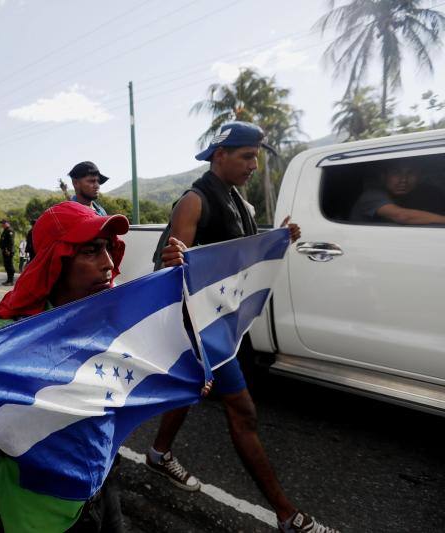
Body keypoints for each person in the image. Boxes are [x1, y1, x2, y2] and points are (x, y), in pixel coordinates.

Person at [0, 202, 189, 532]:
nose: (109, 263)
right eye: (91, 251)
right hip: (39, 516)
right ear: (57, 262)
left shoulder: (107, 320)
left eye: (109, 248)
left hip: (102, 487)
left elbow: (154, 351)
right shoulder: (5, 342)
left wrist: (174, 282)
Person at [146, 121, 337, 533]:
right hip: (201, 327)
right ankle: (288, 515)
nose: (254, 164)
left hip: (228, 322)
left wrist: (279, 237)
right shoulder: (194, 201)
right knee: (243, 411)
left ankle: (159, 453)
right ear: (221, 156)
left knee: (190, 389)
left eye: (256, 156)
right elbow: (173, 267)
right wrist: (175, 259)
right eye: (246, 156)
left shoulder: (240, 203)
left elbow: (241, 253)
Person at [350, 161, 445, 224]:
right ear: (384, 177)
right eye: (396, 173)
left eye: (410, 173)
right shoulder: (372, 196)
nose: (403, 180)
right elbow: (402, 216)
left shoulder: (411, 196)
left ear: (419, 177)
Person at [0, 219, 15, 286]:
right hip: (5, 251)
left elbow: (11, 242)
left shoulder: (9, 230)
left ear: (7, 223)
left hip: (8, 251)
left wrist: (8, 250)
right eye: (2, 223)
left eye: (3, 223)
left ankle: (11, 281)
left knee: (9, 266)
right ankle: (8, 280)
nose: (2, 224)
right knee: (6, 266)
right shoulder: (5, 230)